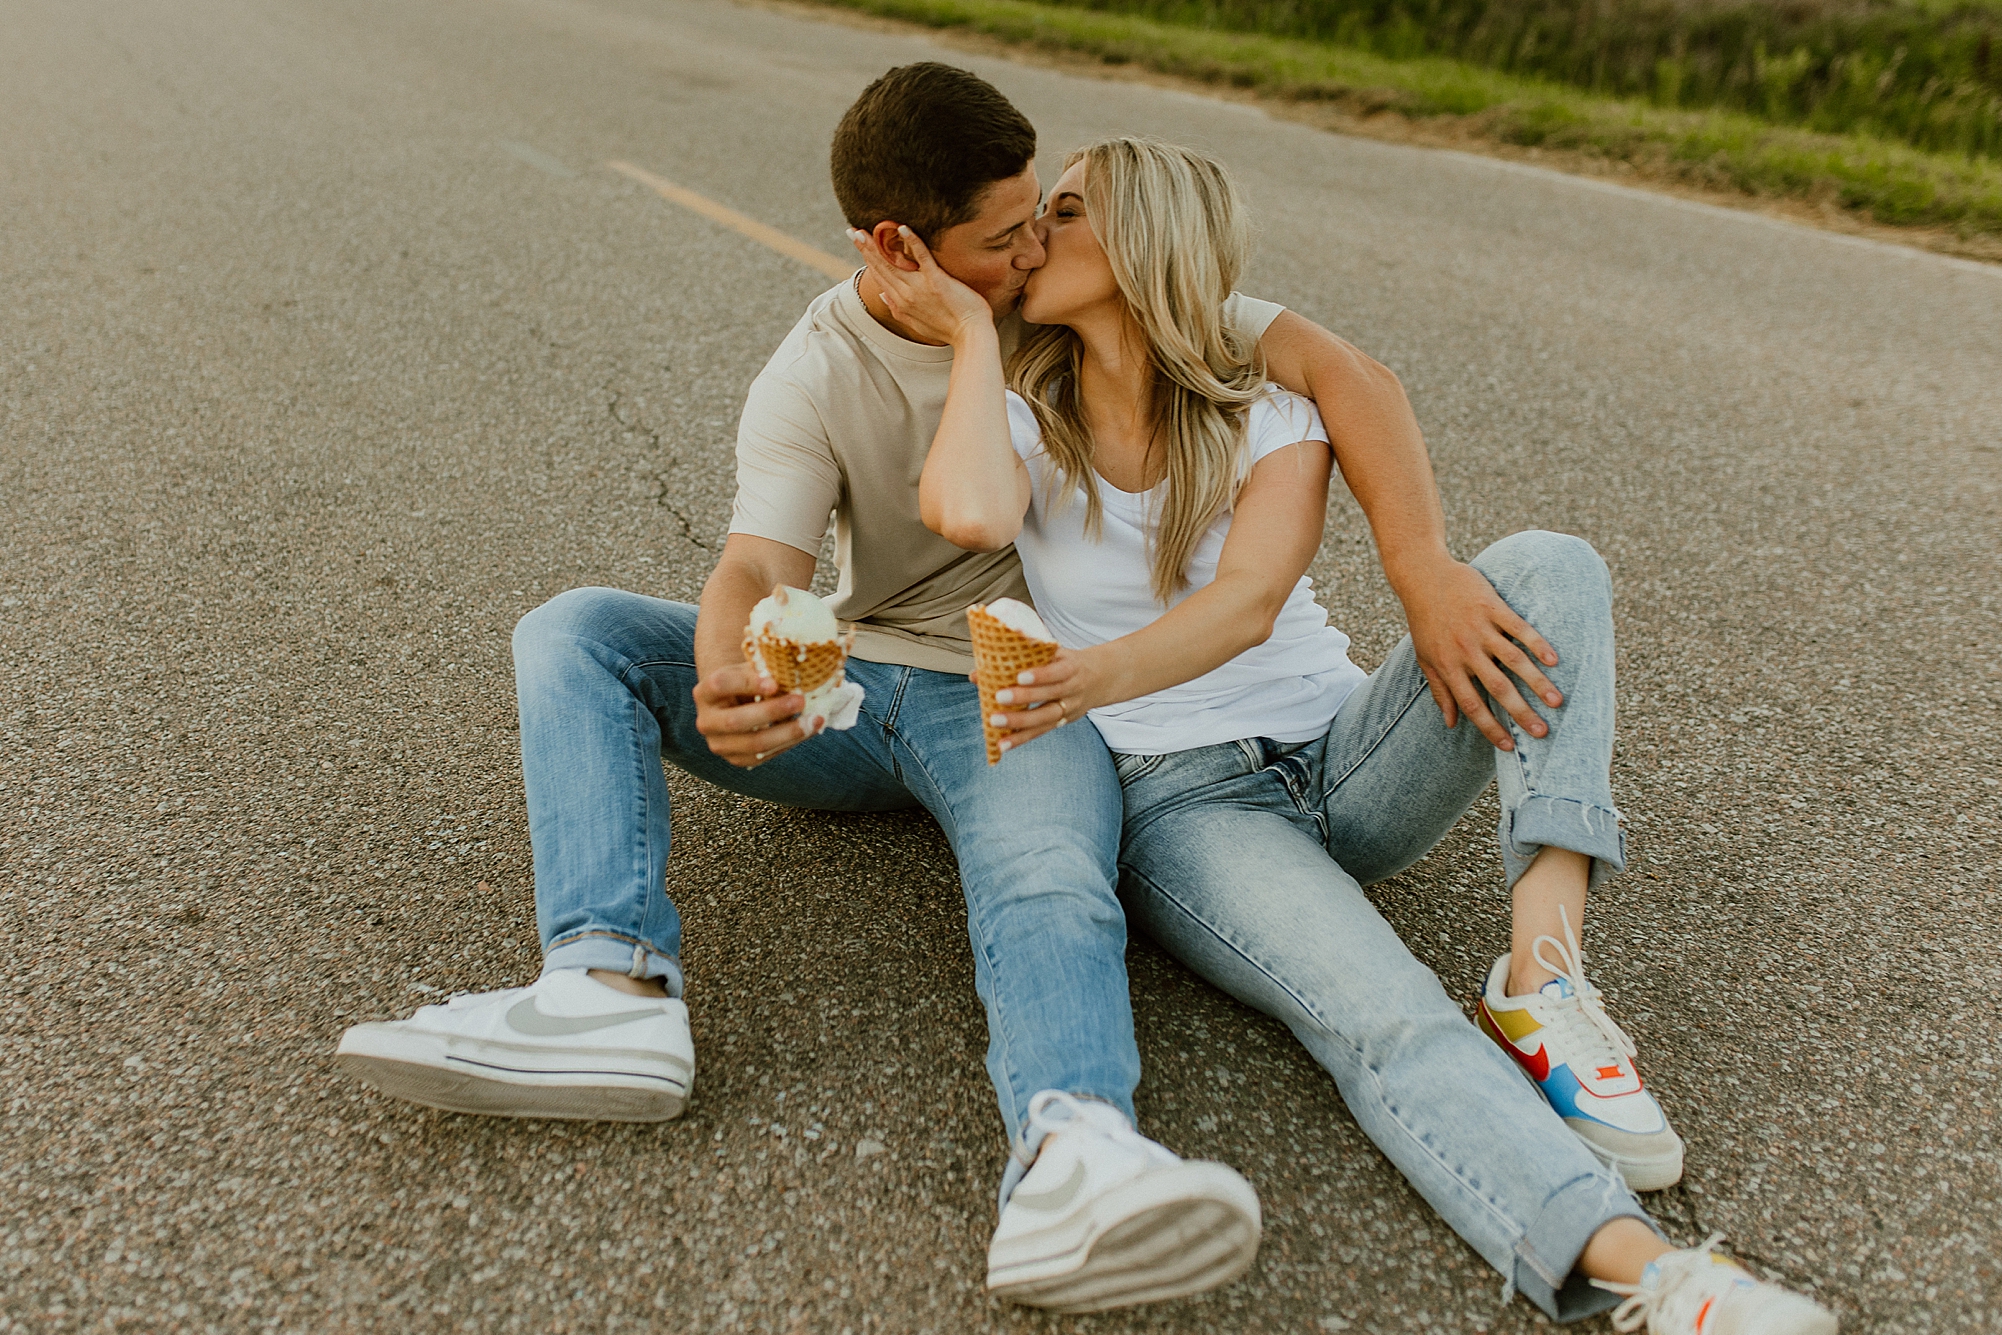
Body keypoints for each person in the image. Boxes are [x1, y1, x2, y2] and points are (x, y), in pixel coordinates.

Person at [327, 63, 1519, 1314]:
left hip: (1013, 682)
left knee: (1049, 881)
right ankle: (606, 983)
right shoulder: (815, 369)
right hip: (856, 674)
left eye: (1041, 220)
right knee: (575, 631)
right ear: (900, 245)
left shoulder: (1073, 299)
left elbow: (1340, 374)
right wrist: (730, 660)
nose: (1032, 251)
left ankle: (1075, 1152)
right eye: (1002, 239)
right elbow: (756, 561)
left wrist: (1420, 564)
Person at [876, 134, 1840, 1331]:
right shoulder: (1025, 419)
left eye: (1064, 213)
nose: (1031, 239)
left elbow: (1251, 600)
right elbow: (963, 506)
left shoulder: (1267, 407)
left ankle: (1541, 971)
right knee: (1384, 1015)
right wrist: (974, 338)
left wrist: (1109, 666)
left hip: (1345, 752)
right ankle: (1651, 1277)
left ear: (1142, 243)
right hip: (1189, 808)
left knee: (1546, 565)